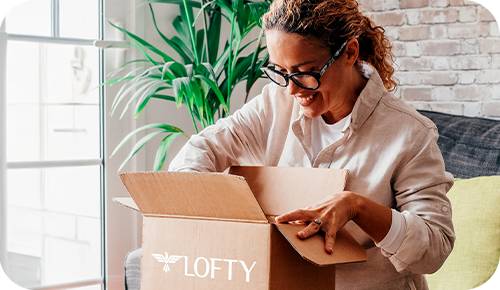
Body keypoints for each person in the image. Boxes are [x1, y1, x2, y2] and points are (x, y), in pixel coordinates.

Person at [168, 0, 455, 288]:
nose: (292, 89)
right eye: (280, 71)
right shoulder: (274, 104)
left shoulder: (410, 134)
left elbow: (435, 247)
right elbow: (199, 151)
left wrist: (357, 207)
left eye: (305, 71)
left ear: (349, 53)